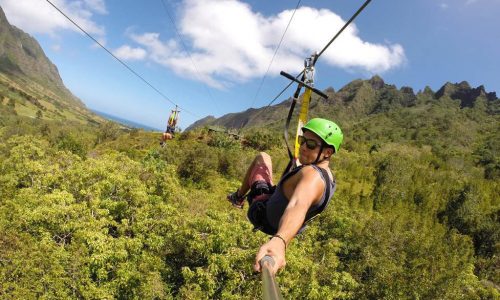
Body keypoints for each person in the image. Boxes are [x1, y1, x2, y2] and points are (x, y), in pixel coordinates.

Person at [226, 118, 343, 275]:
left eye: (311, 145)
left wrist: (280, 241)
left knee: (263, 157)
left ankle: (238, 197)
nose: (302, 147)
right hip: (281, 225)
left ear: (328, 152)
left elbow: (298, 204)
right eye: (302, 141)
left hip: (262, 214)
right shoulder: (329, 179)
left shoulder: (312, 176)